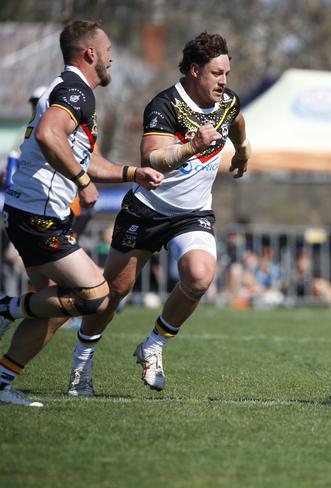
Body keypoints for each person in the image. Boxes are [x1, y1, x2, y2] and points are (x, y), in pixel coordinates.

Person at [65, 32, 251, 396]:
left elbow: (237, 121)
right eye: (217, 74)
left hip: (192, 213)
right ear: (195, 71)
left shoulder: (226, 101)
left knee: (199, 277)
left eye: (227, 73)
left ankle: (154, 344)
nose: (225, 81)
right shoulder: (164, 105)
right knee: (114, 291)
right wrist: (192, 146)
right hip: (147, 210)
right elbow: (152, 158)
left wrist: (243, 152)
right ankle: (82, 361)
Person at [0, 20, 163, 407]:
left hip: (31, 212)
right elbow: (48, 135)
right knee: (95, 296)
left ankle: (3, 380)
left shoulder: (72, 91)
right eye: (107, 50)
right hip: (38, 216)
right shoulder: (76, 91)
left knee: (54, 306)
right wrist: (81, 180)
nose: (111, 57)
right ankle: (6, 307)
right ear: (90, 54)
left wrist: (130, 172)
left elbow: (86, 158)